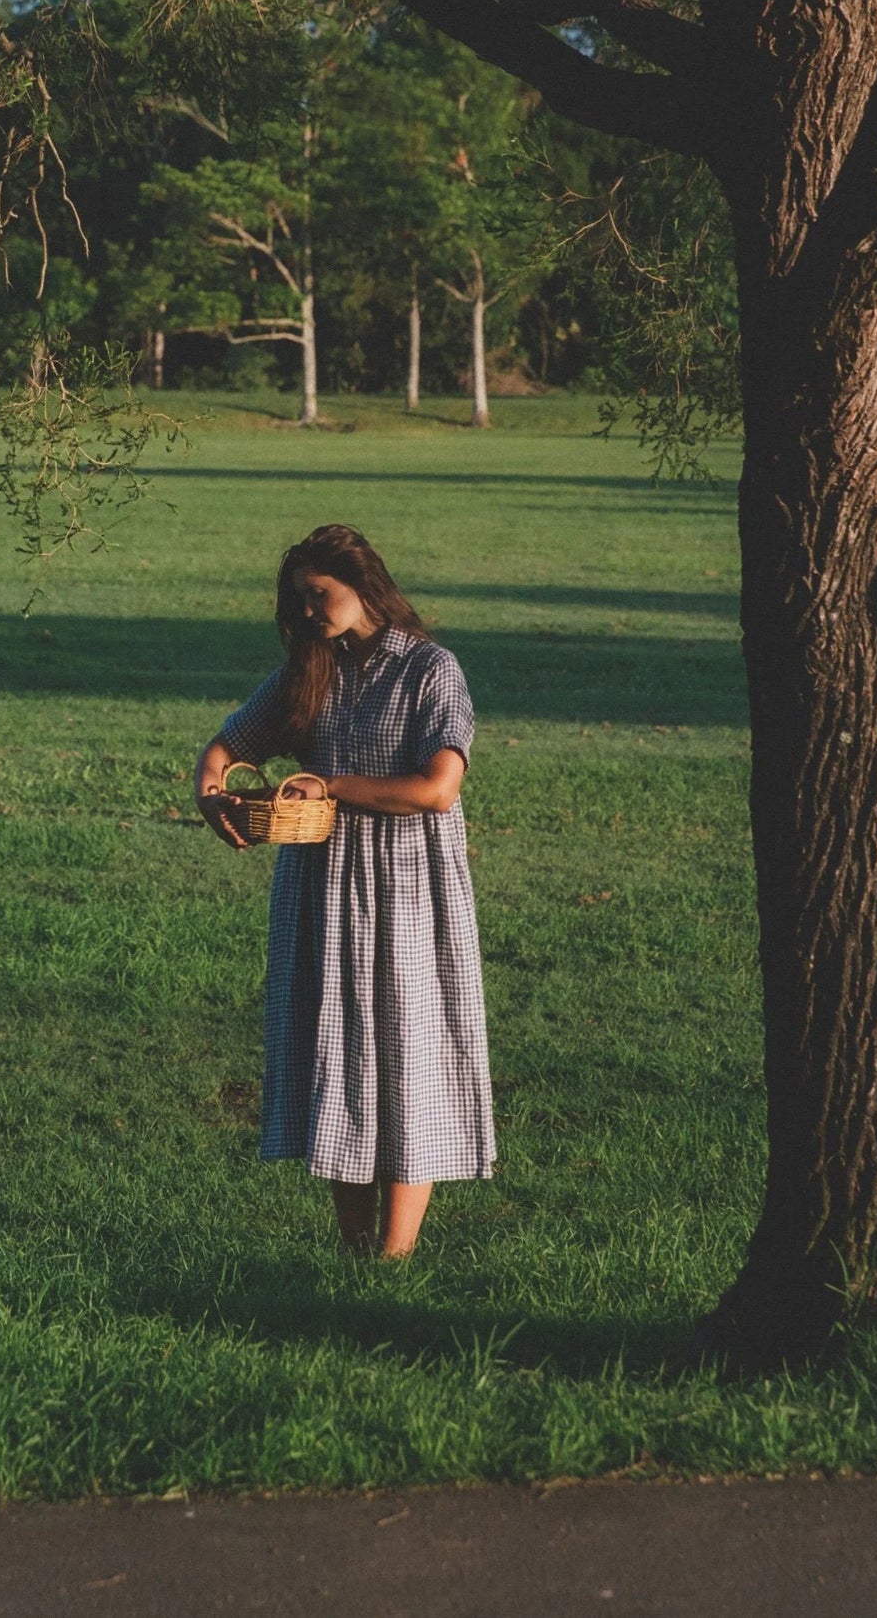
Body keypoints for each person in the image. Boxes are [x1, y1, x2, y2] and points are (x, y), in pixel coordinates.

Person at [196, 523, 495, 1259]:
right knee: (339, 1053)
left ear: (362, 583)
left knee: (407, 1054)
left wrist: (328, 785)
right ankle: (354, 1248)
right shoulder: (310, 669)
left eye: (317, 593)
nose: (305, 610)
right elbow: (230, 743)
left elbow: (436, 789)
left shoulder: (431, 669)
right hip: (322, 886)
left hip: (408, 889)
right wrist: (210, 793)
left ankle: (393, 1258)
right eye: (297, 598)